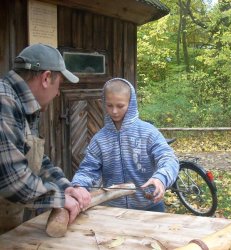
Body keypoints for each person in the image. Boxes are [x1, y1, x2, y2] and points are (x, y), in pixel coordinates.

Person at [0, 44, 91, 234]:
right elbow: (12, 181)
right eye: (59, 85)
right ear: (46, 78)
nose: (58, 93)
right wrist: (58, 198)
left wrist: (65, 188)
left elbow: (36, 162)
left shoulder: (23, 104)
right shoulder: (4, 102)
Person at [72, 78, 179, 212]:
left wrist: (161, 178)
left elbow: (168, 158)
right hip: (114, 211)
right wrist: (79, 185)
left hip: (151, 207)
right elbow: (88, 169)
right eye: (109, 106)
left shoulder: (148, 132)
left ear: (131, 103)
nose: (114, 111)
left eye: (120, 106)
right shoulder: (99, 139)